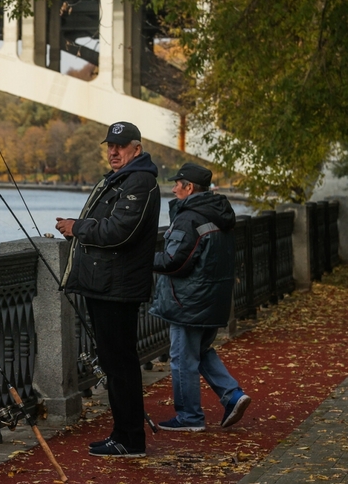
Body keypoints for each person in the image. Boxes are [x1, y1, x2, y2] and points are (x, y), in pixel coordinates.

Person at [55, 121, 161, 458]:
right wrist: (80, 229)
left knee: (120, 365)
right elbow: (110, 226)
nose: (113, 152)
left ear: (136, 149)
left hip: (118, 287)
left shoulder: (140, 182)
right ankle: (123, 434)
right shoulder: (120, 179)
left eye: (120, 146)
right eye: (109, 146)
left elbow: (120, 231)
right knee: (116, 364)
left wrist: (78, 227)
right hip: (106, 285)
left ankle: (130, 439)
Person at [150, 162, 251, 431]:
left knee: (183, 358)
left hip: (188, 300)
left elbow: (175, 261)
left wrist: (142, 259)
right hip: (213, 297)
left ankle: (189, 417)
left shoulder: (189, 217)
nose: (172, 189)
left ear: (189, 187)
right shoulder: (220, 214)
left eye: (177, 184)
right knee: (200, 351)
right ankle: (232, 394)